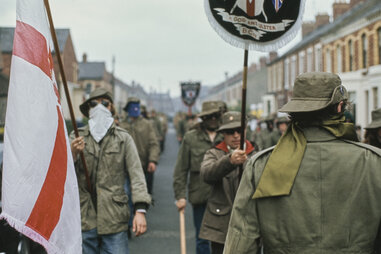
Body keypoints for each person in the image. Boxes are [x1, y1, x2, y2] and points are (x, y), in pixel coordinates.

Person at [224, 72, 381, 253]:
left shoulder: (261, 165)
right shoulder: (374, 162)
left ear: (295, 111)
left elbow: (240, 244)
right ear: (340, 107)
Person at [70, 88, 151, 254]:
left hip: (114, 216)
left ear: (111, 108)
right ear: (88, 111)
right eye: (94, 104)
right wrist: (73, 153)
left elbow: (136, 175)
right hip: (84, 215)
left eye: (105, 103)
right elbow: (64, 173)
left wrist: (140, 210)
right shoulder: (76, 137)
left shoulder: (123, 138)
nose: (100, 107)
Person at [199, 111, 255, 254]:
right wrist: (229, 161)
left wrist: (247, 162)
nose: (236, 135)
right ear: (223, 133)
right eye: (230, 131)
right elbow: (206, 174)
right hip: (221, 225)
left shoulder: (257, 153)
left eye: (239, 130)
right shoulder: (214, 153)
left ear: (246, 129)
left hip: (250, 224)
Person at [173, 101, 224, 254]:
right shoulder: (191, 138)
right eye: (209, 116)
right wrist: (180, 196)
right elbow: (181, 169)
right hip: (200, 195)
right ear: (203, 118)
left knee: (221, 238)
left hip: (224, 197)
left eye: (216, 115)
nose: (213, 119)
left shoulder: (227, 136)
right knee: (202, 238)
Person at [119, 97, 160, 195]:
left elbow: (154, 144)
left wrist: (152, 160)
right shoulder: (121, 125)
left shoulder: (147, 124)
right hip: (126, 167)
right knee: (128, 195)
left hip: (143, 165)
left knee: (142, 194)